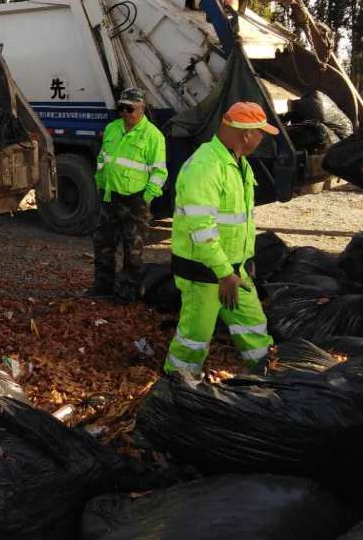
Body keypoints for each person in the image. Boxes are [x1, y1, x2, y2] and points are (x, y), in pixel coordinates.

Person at [164, 101, 278, 376]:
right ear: (247, 134)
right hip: (204, 273)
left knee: (252, 324)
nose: (263, 138)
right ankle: (176, 385)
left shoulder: (238, 164)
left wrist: (239, 266)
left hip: (232, 271)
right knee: (194, 337)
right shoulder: (205, 167)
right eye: (261, 132)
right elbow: (201, 229)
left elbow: (239, 223)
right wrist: (225, 274)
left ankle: (267, 371)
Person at [88, 87, 167, 301]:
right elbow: (104, 159)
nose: (125, 113)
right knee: (103, 244)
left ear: (141, 108)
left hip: (135, 200)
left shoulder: (153, 136)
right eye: (121, 108)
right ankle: (103, 287)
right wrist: (100, 183)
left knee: (133, 250)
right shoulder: (112, 128)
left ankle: (127, 292)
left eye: (130, 109)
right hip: (109, 196)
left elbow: (160, 172)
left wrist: (146, 197)